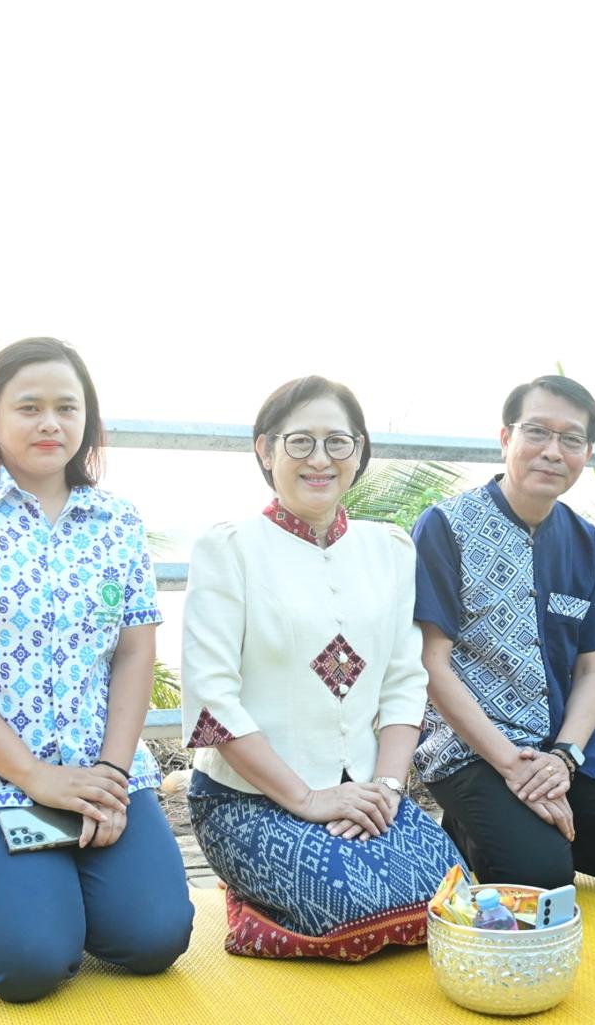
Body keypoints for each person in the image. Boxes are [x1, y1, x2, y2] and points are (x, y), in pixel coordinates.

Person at [0, 337, 193, 1003]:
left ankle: (51, 893)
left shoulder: (117, 522)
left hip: (97, 772)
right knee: (28, 963)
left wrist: (112, 775)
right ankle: (0, 904)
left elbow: (134, 652)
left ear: (88, 420)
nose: (50, 423)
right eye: (29, 407)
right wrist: (35, 776)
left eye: (67, 407)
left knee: (155, 938)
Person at [180, 376, 465, 961]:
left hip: (362, 789)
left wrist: (387, 789)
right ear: (265, 450)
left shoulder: (389, 549)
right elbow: (212, 701)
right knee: (354, 908)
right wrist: (308, 799)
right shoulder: (230, 548)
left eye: (338, 442)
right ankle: (247, 907)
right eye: (300, 442)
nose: (320, 459)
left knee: (452, 901)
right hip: (248, 797)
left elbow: (405, 682)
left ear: (358, 452)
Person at [411, 376, 595, 896]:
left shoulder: (585, 541)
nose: (552, 451)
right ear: (506, 438)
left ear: (587, 453)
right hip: (470, 747)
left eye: (571, 439)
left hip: (563, 748)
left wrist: (564, 756)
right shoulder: (445, 526)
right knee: (544, 878)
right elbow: (433, 665)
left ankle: (521, 832)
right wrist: (511, 766)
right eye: (537, 431)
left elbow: (592, 668)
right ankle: (498, 832)